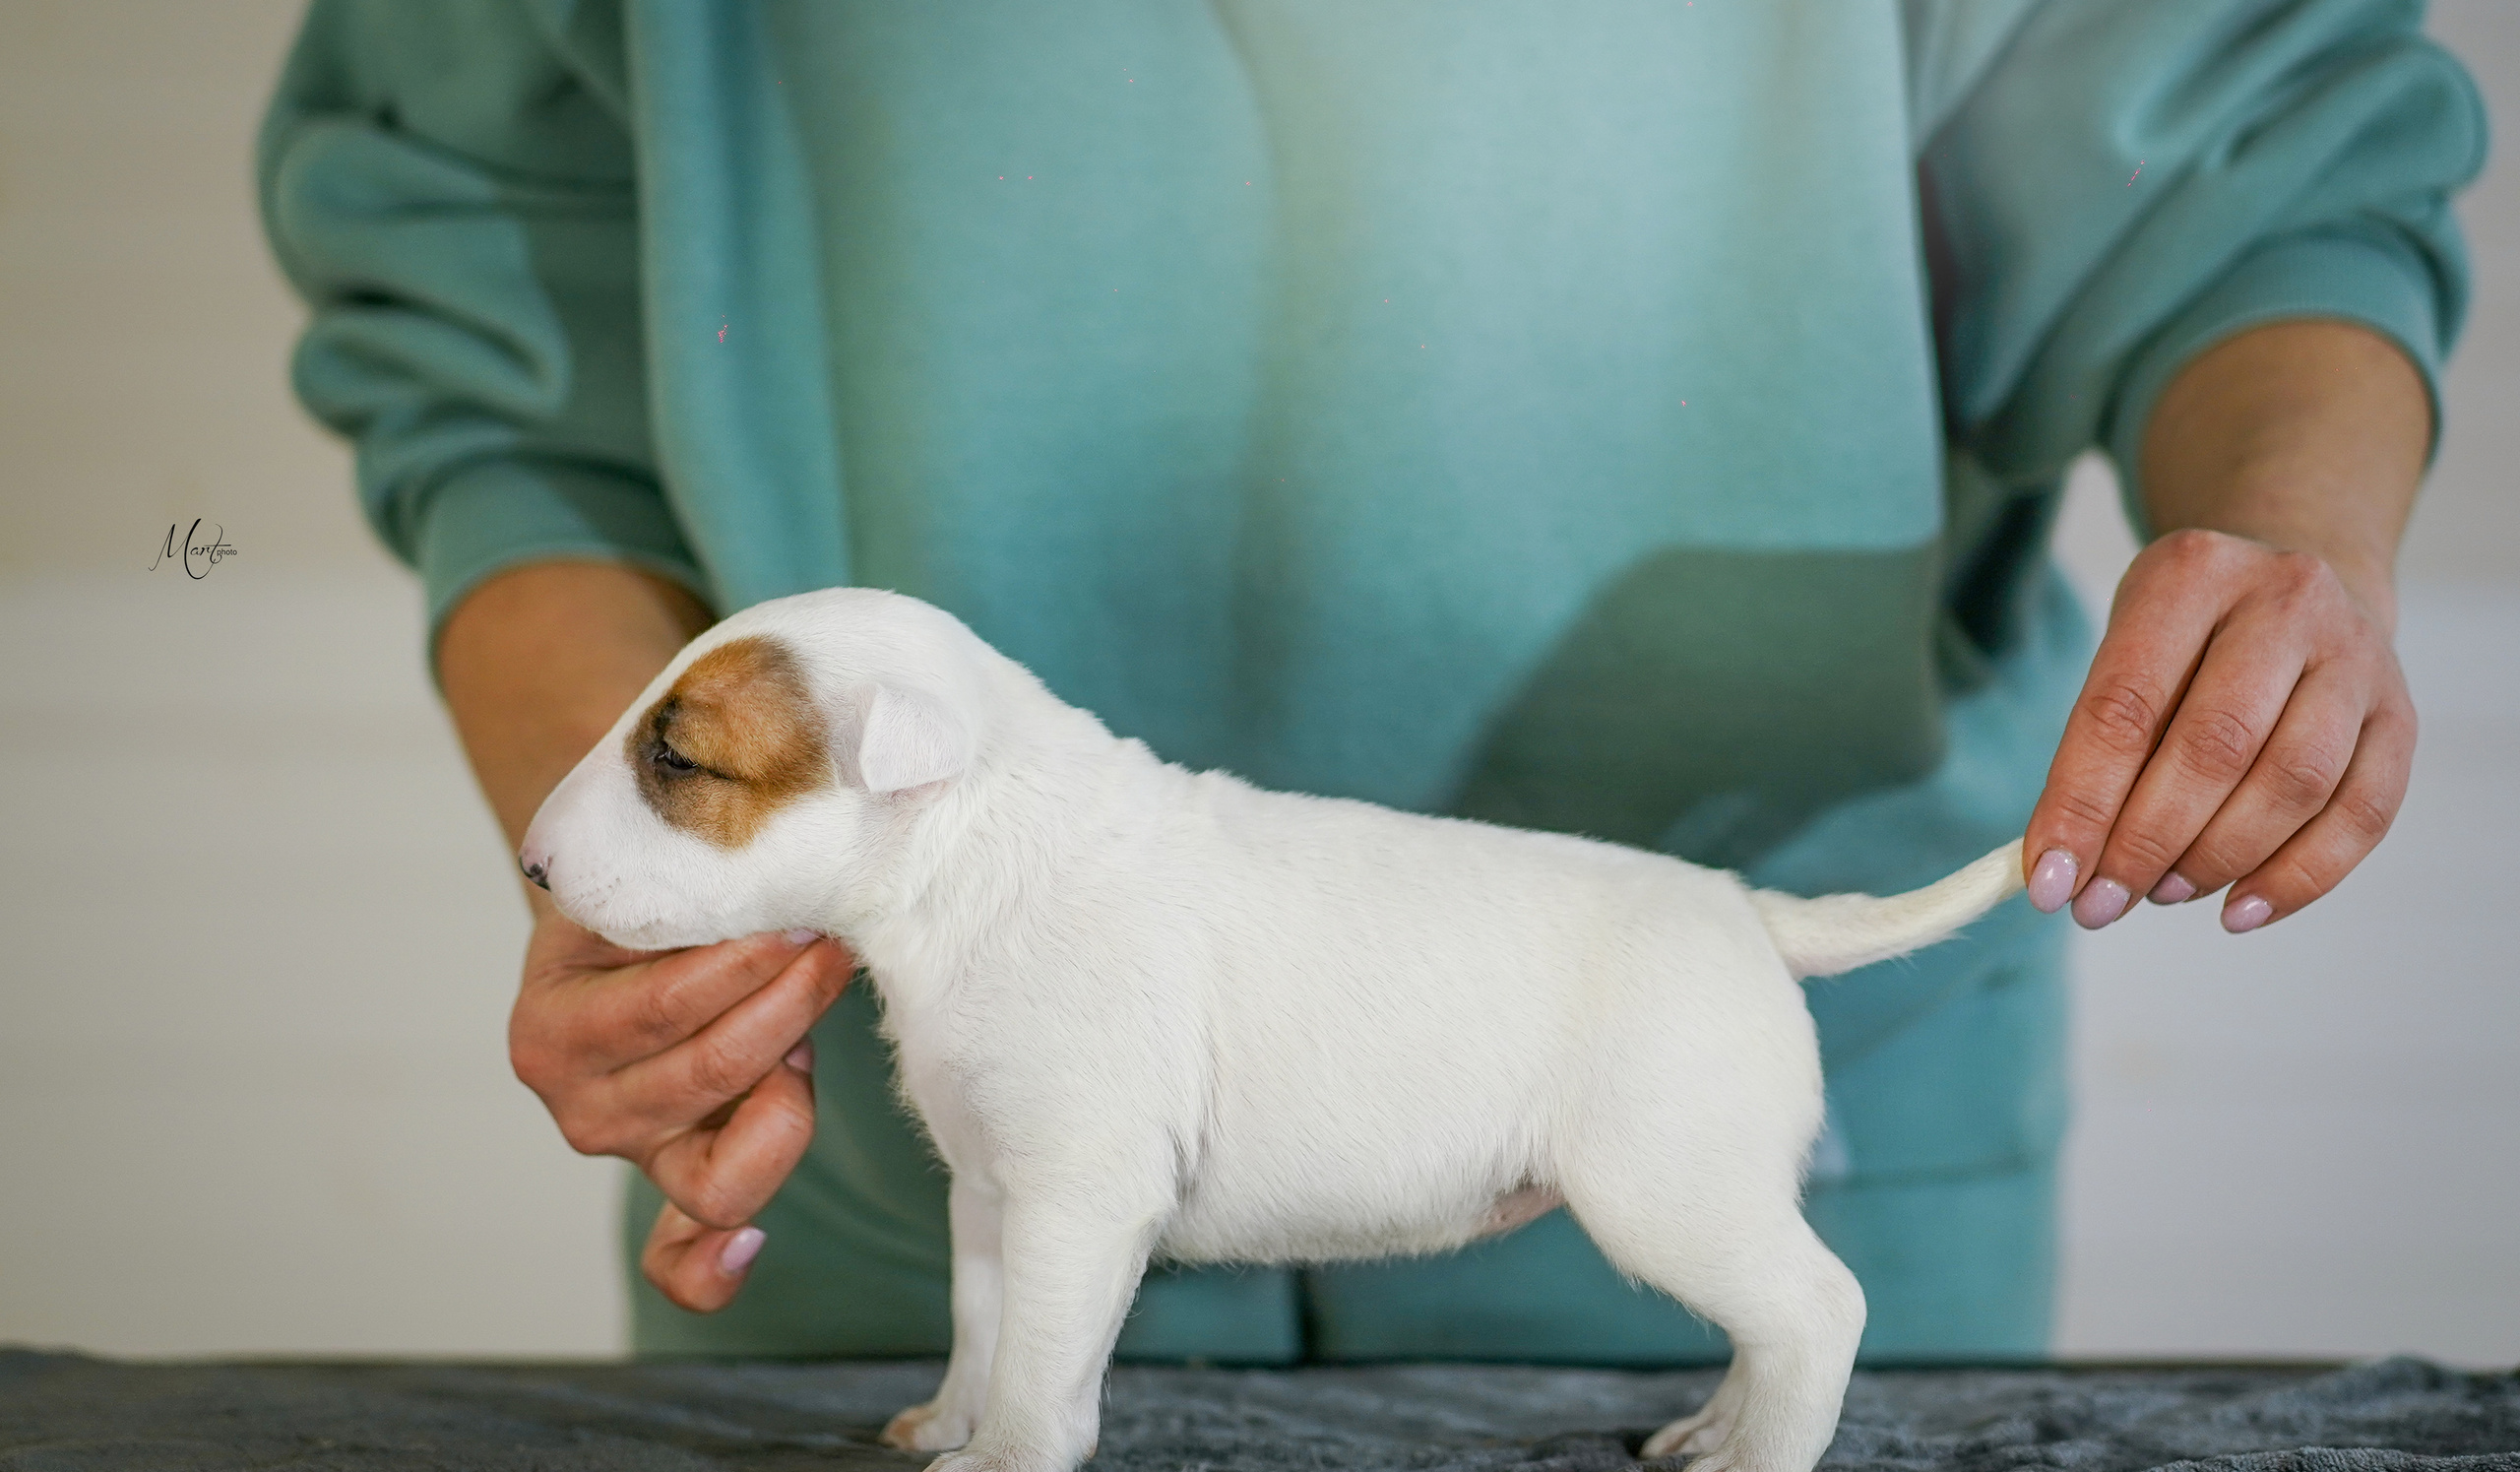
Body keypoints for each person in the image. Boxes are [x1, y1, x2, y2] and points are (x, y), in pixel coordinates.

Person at [261, 1, 2482, 1365]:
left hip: (1790, 1072)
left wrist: (2293, 542)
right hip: (860, 1180)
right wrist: (633, 921)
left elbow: (2248, 159)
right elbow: (481, 311)